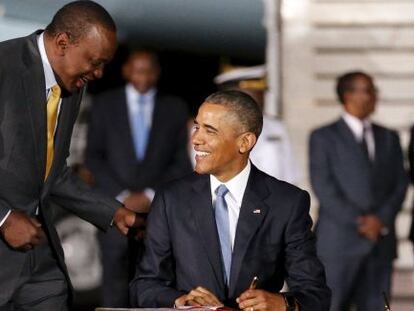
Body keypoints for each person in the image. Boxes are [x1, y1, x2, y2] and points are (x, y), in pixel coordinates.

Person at [131, 90, 331, 311]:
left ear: (245, 142)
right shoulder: (171, 199)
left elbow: (316, 294)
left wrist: (281, 303)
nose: (196, 139)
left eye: (210, 131)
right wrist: (180, 301)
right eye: (197, 127)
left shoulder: (287, 203)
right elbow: (145, 285)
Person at [0, 1, 140, 310]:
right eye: (94, 61)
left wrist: (114, 212)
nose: (100, 73)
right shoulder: (4, 66)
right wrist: (5, 218)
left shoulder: (74, 83)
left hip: (39, 261)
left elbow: (53, 172)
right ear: (62, 43)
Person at [85, 49, 192, 307]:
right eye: (137, 69)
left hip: (157, 211)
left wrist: (149, 195)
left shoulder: (175, 108)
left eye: (148, 70)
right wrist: (123, 197)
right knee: (114, 275)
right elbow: (93, 158)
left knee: (155, 278)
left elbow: (182, 162)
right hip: (114, 209)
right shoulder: (104, 105)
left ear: (157, 73)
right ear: (125, 71)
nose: (142, 76)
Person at [309, 71, 408, 311]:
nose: (375, 96)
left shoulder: (389, 137)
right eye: (369, 90)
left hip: (380, 243)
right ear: (348, 95)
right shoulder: (324, 137)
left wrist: (380, 221)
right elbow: (324, 186)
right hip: (339, 244)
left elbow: (400, 183)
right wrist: (360, 222)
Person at [213, 65, 300, 184]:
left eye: (262, 93)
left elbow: (290, 175)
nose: (262, 98)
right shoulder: (210, 129)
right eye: (255, 93)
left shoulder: (276, 128)